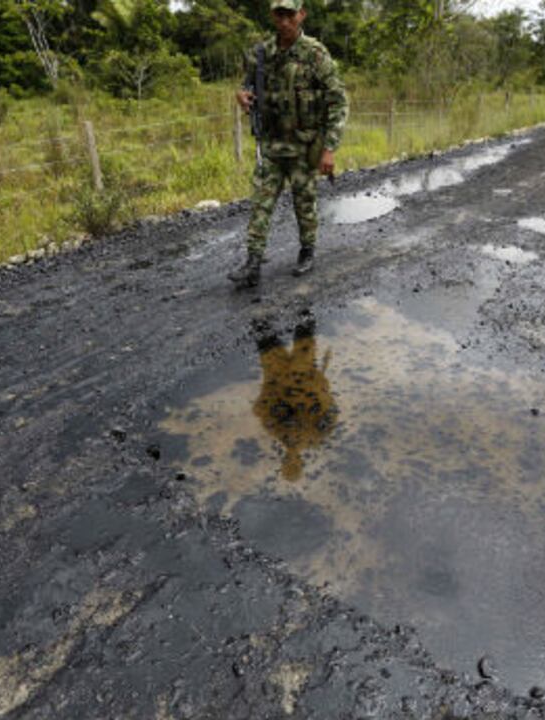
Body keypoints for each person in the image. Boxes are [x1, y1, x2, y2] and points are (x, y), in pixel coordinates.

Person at [229, 0, 349, 289]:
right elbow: (247, 85)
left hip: (304, 147)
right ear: (273, 15)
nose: (284, 21)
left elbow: (338, 101)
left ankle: (307, 251)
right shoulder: (261, 53)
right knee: (261, 203)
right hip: (271, 145)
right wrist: (242, 95)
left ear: (301, 15)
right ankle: (253, 262)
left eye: (290, 15)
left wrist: (329, 149)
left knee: (304, 204)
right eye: (279, 14)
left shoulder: (315, 54)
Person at [252, 317, 338, 480]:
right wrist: (321, 391)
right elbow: (330, 409)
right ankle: (301, 298)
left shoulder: (278, 432)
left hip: (280, 379)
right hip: (303, 381)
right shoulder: (317, 437)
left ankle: (253, 303)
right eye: (294, 466)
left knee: (267, 338)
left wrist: (275, 409)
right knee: (303, 340)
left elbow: (261, 408)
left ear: (283, 463)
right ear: (301, 463)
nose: (291, 462)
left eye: (288, 465)